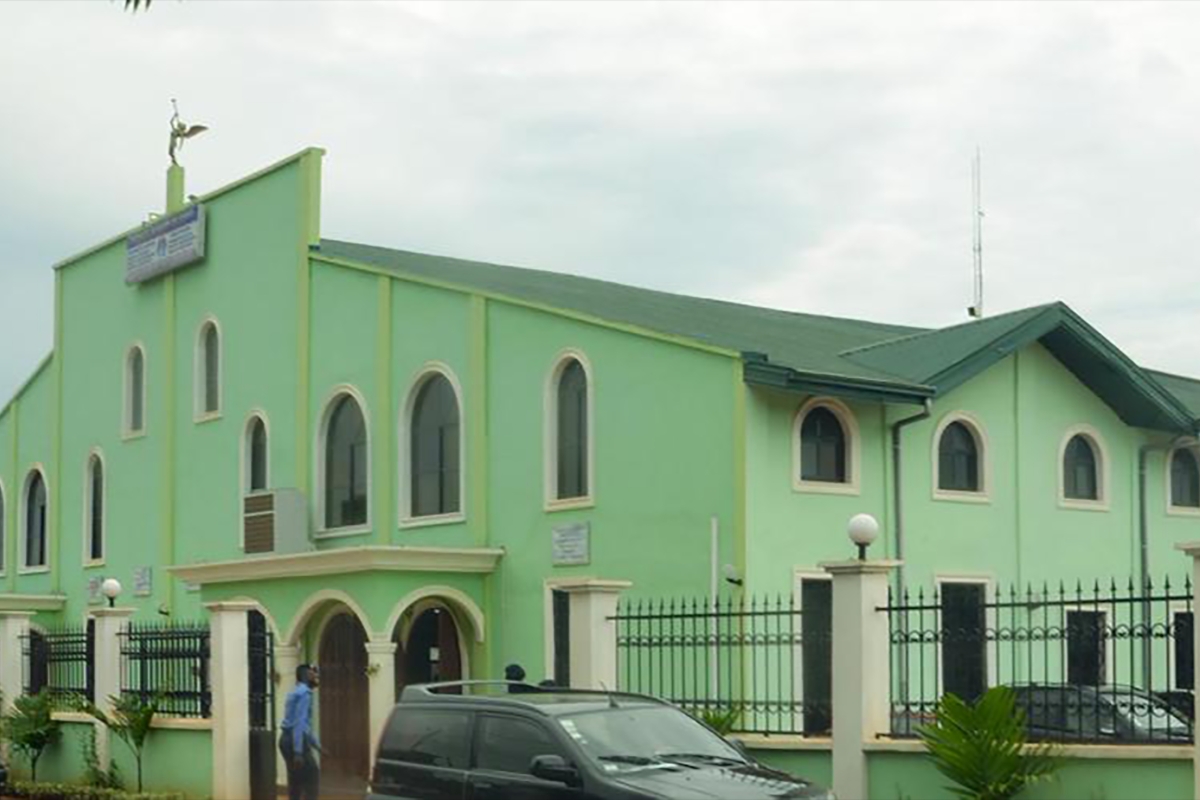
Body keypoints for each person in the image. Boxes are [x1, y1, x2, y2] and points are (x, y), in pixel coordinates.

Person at [280, 663, 321, 800]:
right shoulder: (304, 694)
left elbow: (304, 725)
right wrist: (298, 751)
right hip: (295, 740)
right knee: (312, 776)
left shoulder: (296, 691)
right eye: (313, 672)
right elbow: (299, 723)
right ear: (305, 675)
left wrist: (317, 746)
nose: (316, 675)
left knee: (295, 779)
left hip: (286, 739)